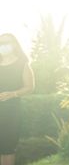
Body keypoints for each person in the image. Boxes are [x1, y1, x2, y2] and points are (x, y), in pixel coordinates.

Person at [0, 33, 35, 165]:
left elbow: (30, 87)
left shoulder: (23, 64)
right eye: (1, 43)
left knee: (7, 148)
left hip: (11, 113)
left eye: (7, 43)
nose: (4, 46)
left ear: (14, 44)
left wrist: (13, 94)